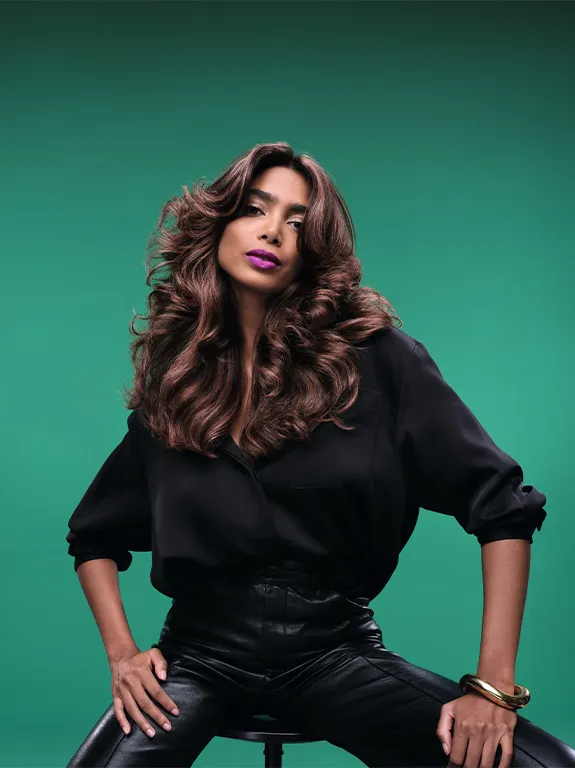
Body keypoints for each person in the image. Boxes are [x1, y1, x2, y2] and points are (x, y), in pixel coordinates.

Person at [65, 141, 575, 768]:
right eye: (255, 209)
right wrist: (124, 656)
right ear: (219, 224)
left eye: (298, 222)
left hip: (334, 653)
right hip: (198, 655)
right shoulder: (180, 383)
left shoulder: (381, 361)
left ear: (314, 252)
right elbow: (93, 536)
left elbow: (504, 511)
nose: (273, 232)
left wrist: (492, 689)